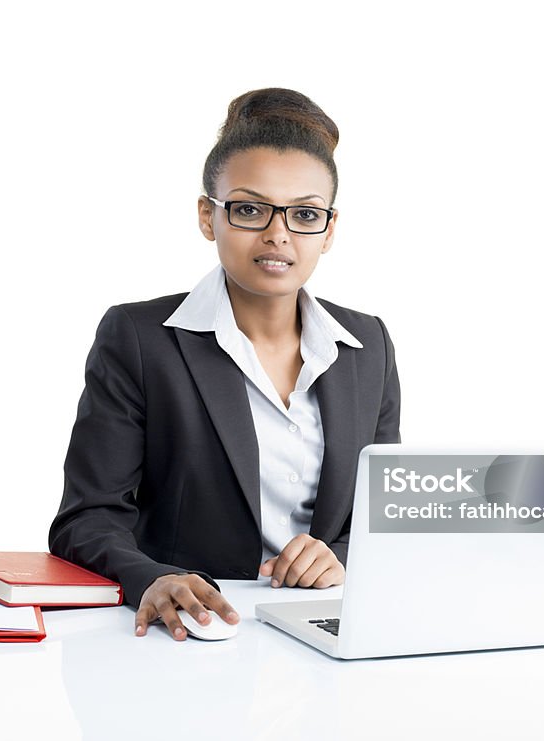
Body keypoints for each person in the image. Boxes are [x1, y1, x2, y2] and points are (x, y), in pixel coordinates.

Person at [48, 87, 401, 642]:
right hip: (191, 631)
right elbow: (85, 519)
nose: (278, 233)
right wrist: (152, 579)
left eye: (305, 213)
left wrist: (338, 557)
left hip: (328, 625)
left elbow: (385, 516)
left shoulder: (367, 343)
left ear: (329, 230)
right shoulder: (139, 338)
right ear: (208, 217)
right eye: (249, 209)